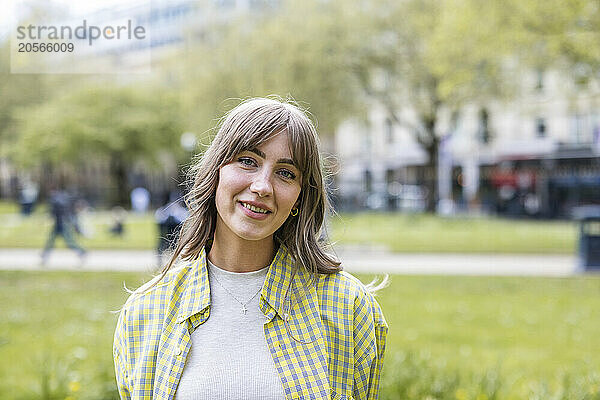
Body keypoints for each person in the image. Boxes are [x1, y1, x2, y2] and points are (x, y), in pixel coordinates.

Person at [113, 98, 388, 399]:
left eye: (286, 173)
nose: (262, 186)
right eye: (248, 161)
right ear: (216, 172)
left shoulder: (347, 307)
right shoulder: (146, 311)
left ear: (299, 198)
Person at [41, 187, 86, 265]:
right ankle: (45, 254)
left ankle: (81, 252)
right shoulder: (62, 198)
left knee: (68, 241)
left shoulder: (55, 200)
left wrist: (49, 217)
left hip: (61, 224)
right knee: (52, 241)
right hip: (61, 223)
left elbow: (54, 212)